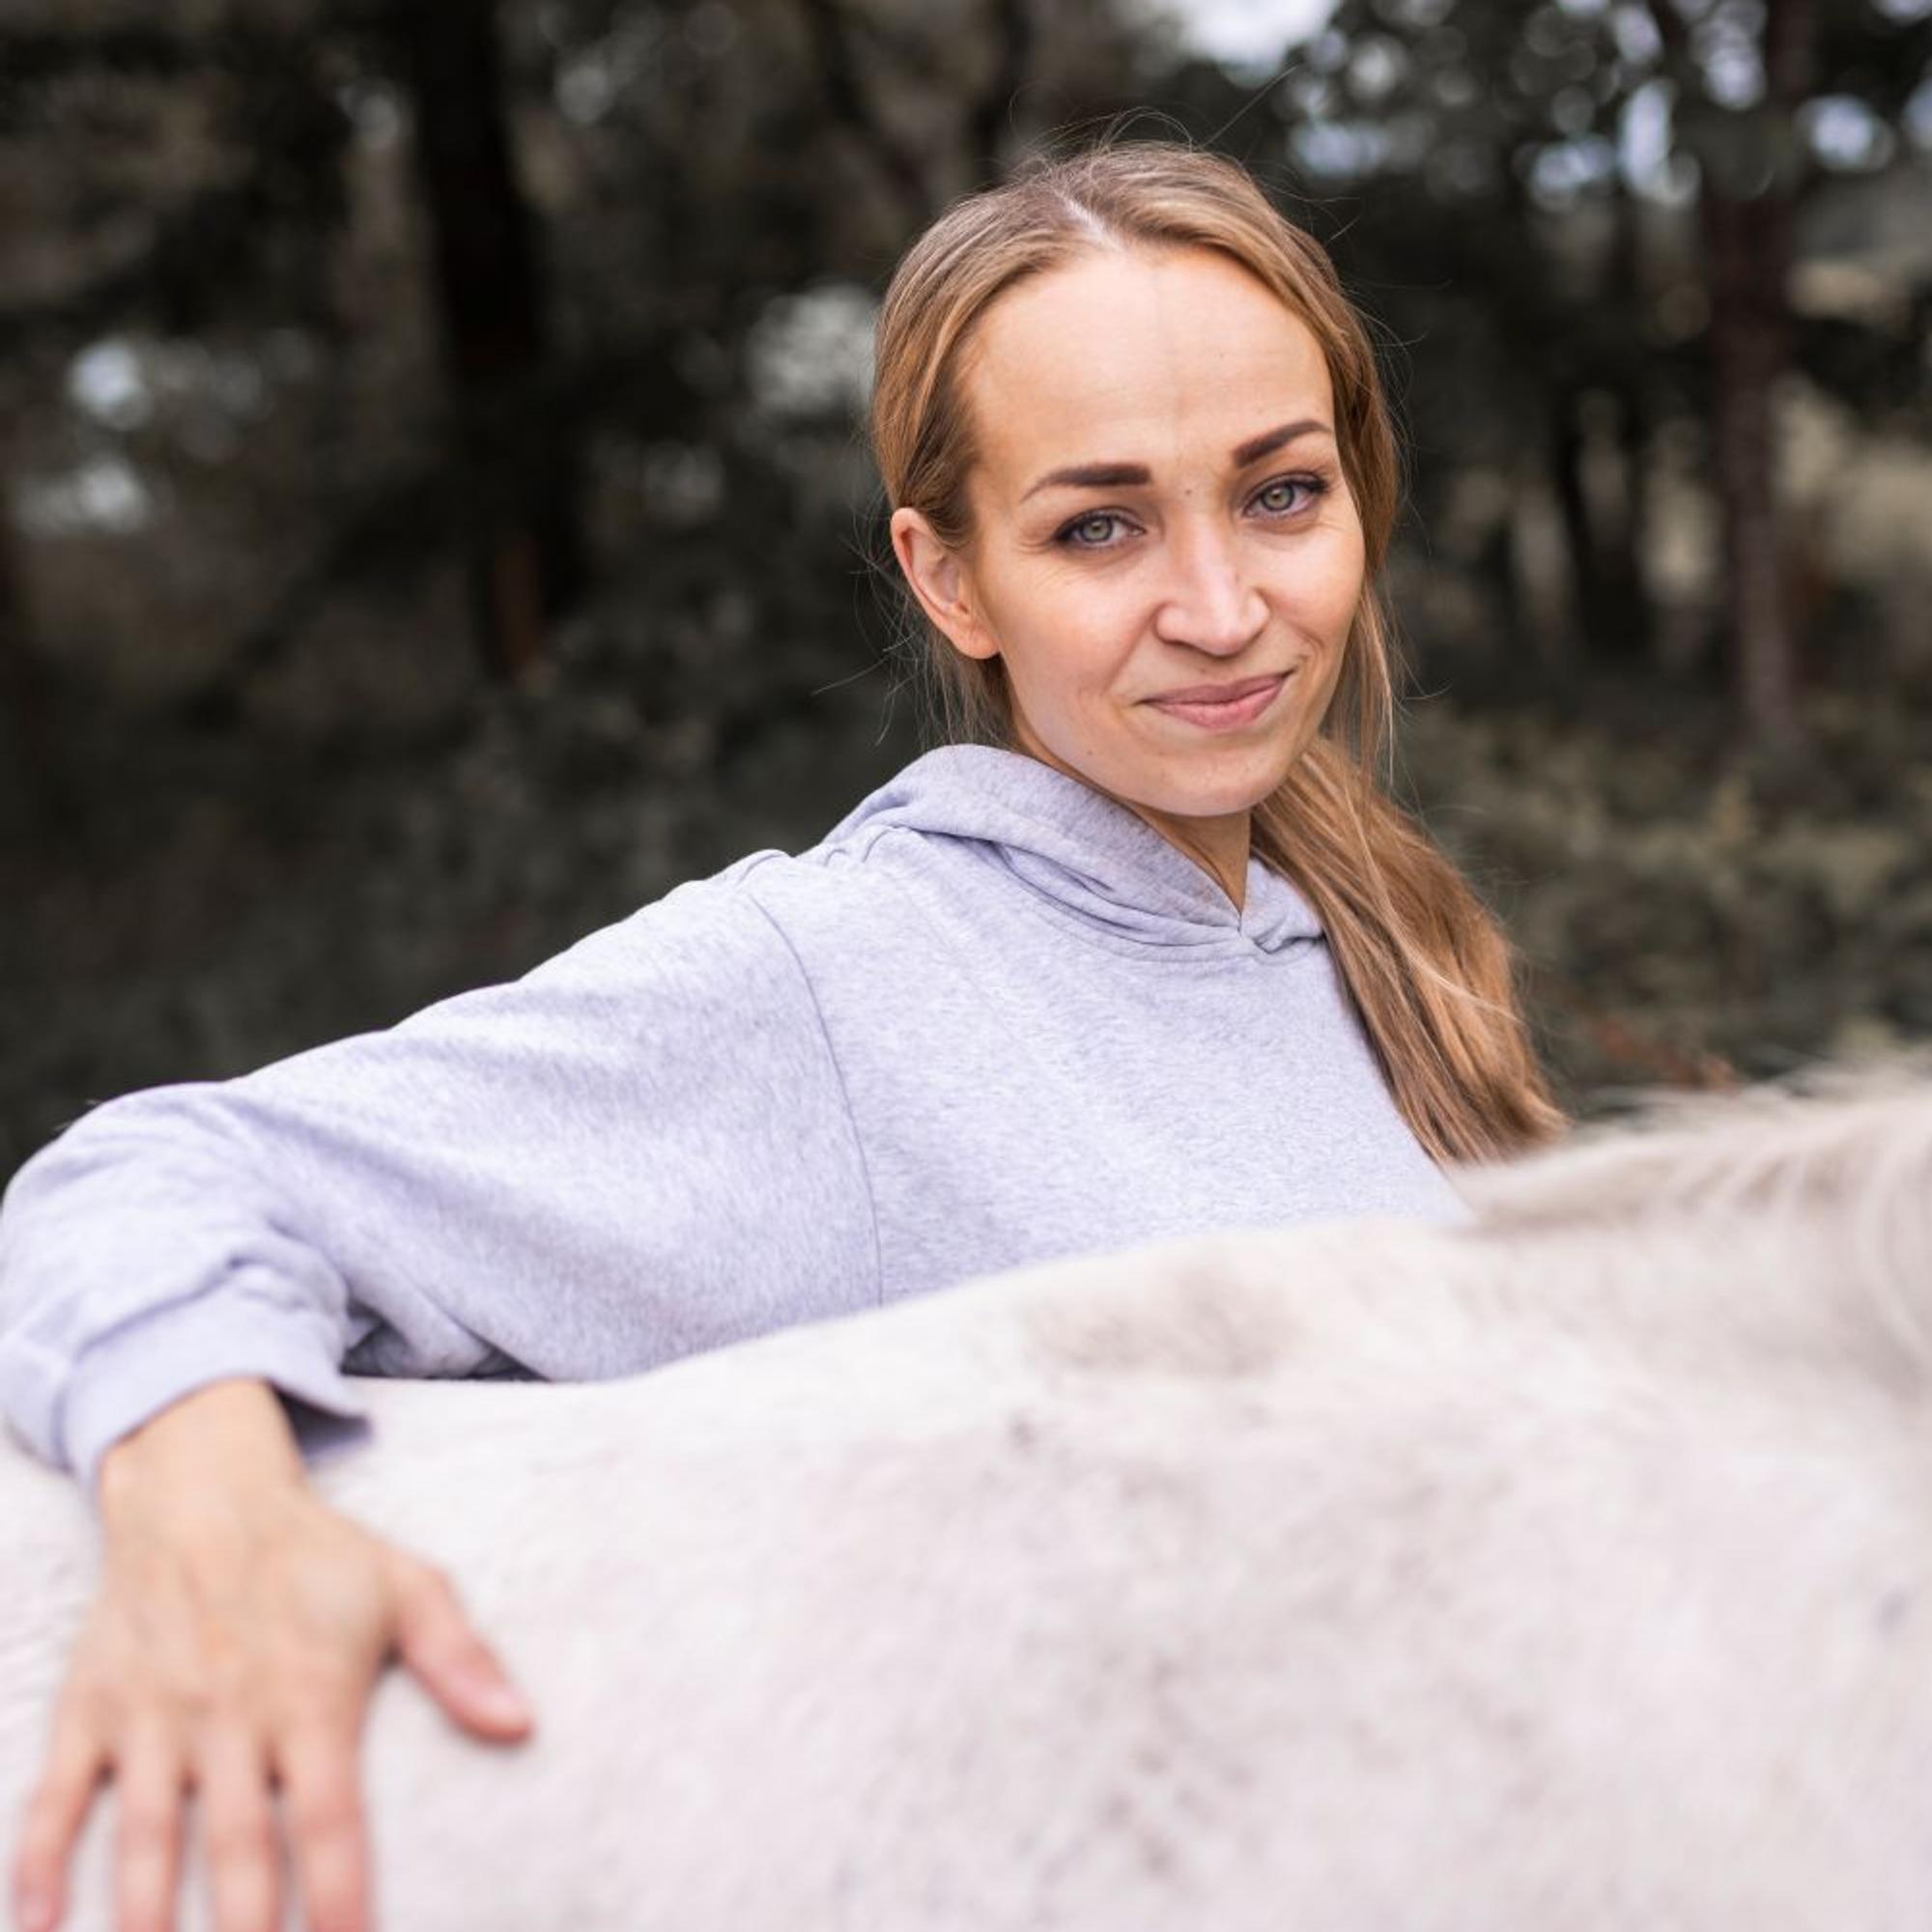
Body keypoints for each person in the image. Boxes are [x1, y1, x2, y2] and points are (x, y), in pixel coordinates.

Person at [1, 138, 1564, 1932]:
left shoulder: (1370, 941)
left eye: (1279, 494)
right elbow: (151, 1177)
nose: (1220, 607)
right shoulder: (832, 987)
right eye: (1100, 525)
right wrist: (211, 1512)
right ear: (950, 578)